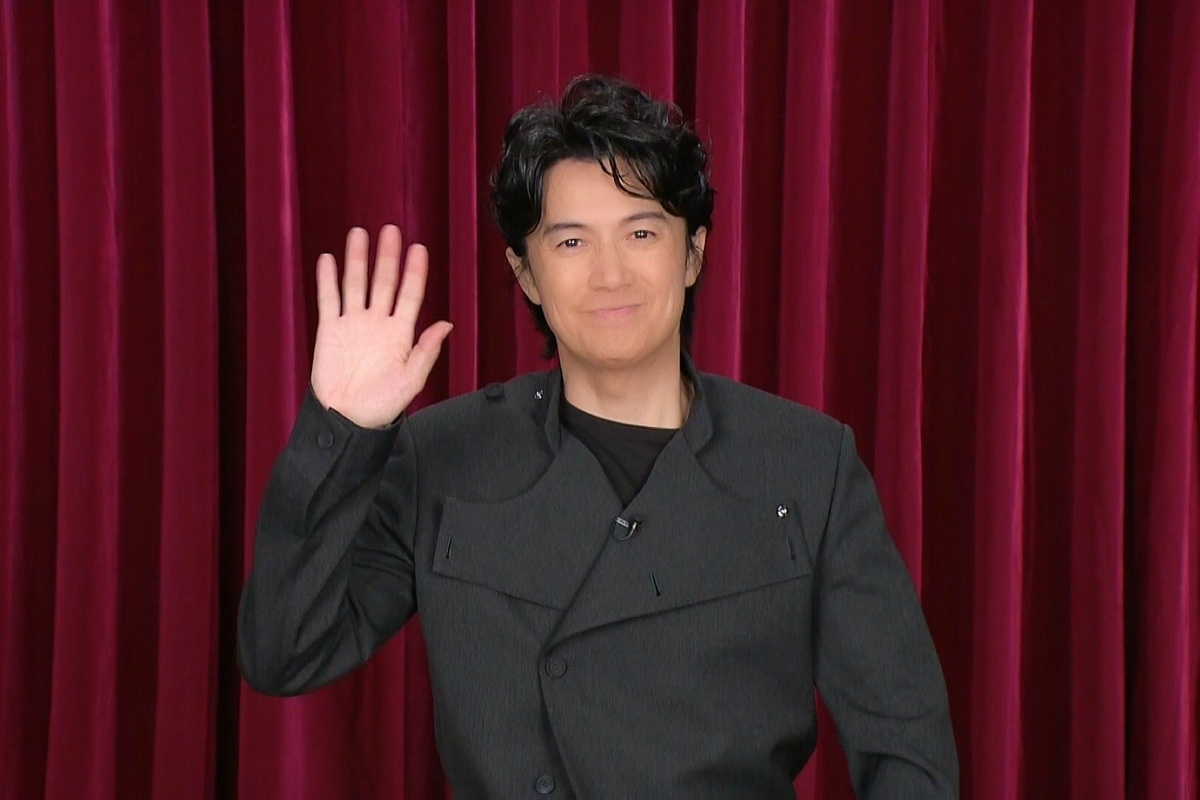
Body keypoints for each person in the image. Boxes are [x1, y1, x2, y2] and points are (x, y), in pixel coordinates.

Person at [238, 74, 958, 798]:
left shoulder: (806, 464)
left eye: (641, 233)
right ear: (526, 273)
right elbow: (284, 653)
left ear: (693, 253)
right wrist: (341, 431)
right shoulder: (443, 454)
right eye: (572, 241)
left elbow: (909, 751)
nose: (610, 275)